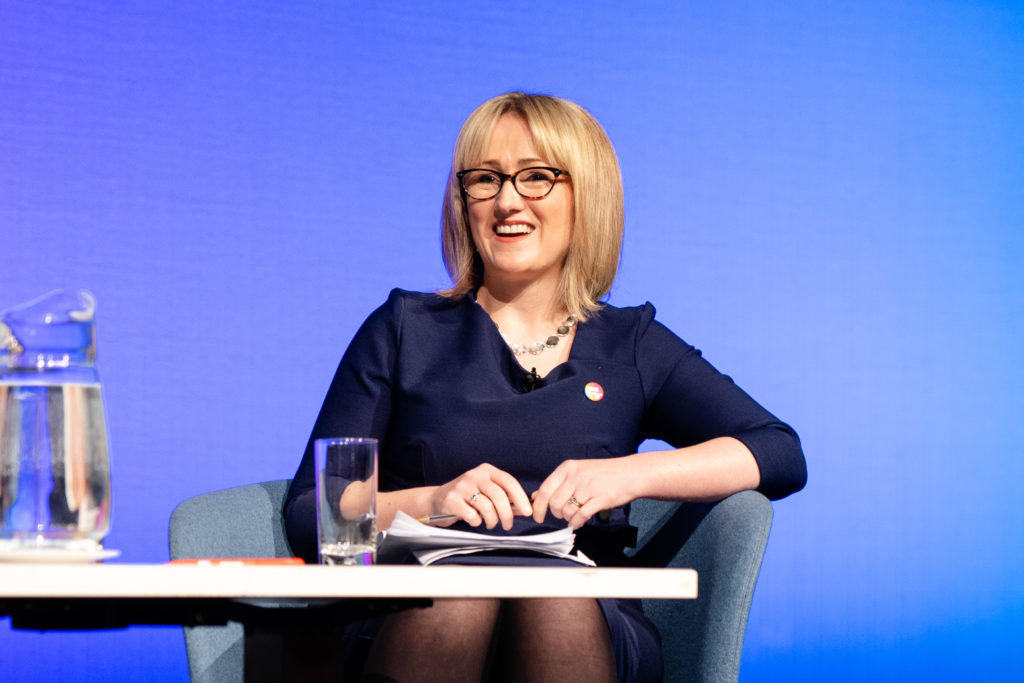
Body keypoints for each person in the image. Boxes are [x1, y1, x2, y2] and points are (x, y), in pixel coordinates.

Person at [284, 92, 807, 682]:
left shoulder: (630, 343)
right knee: (457, 592)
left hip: (583, 614)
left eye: (536, 178)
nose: (507, 200)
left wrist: (625, 475)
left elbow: (778, 451)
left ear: (587, 195)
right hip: (413, 608)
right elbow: (314, 515)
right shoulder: (405, 329)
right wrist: (430, 503)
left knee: (553, 595)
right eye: (485, 179)